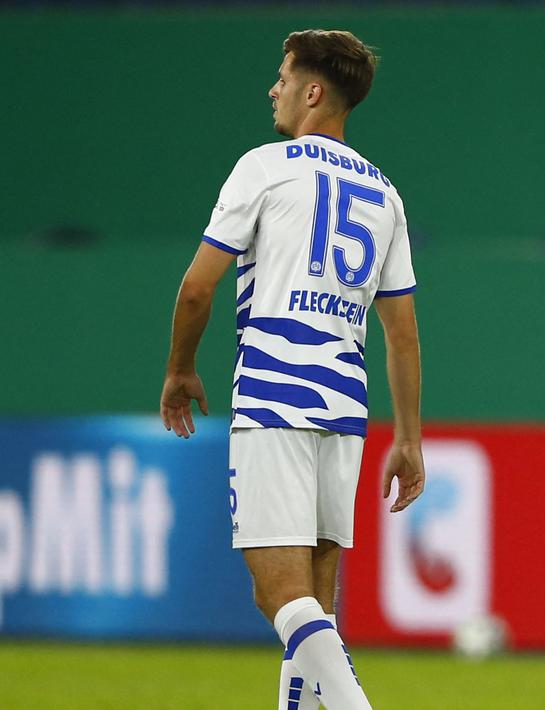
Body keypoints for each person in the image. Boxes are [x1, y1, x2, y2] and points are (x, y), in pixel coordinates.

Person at [159, 29, 424, 710]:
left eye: (282, 77)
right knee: (315, 608)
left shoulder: (265, 167)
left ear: (312, 91)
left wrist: (180, 367)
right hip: (344, 409)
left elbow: (196, 288)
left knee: (278, 595)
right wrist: (408, 437)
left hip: (275, 396)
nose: (272, 89)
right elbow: (402, 334)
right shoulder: (384, 193)